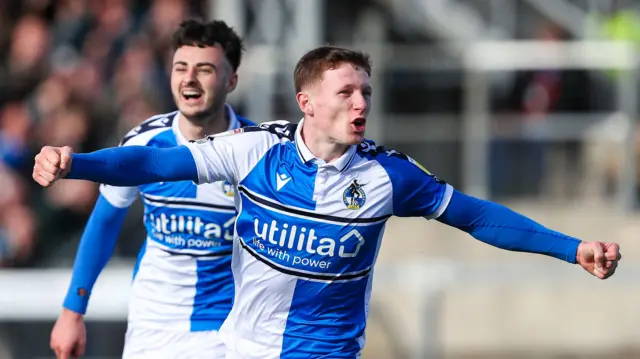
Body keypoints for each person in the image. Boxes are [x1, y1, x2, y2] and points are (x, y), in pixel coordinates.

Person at [34, 46, 621, 359]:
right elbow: (153, 162)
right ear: (307, 103)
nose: (360, 101)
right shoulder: (255, 152)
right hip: (239, 350)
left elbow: (478, 216)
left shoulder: (390, 177)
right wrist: (76, 162)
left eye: (366, 91)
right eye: (345, 91)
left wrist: (573, 248)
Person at [47, 19, 254, 359]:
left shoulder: (258, 152)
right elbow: (104, 222)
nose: (189, 79)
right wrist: (72, 311)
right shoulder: (144, 140)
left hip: (226, 330)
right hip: (152, 327)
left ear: (231, 80)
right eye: (180, 68)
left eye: (204, 69)